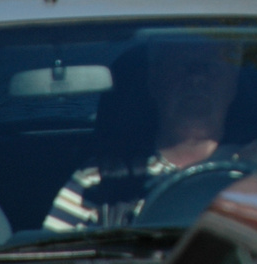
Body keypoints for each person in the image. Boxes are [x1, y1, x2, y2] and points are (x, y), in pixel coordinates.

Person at [44, 38, 243, 231]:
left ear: (233, 83)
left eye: (210, 66)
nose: (197, 78)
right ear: (154, 81)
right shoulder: (100, 180)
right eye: (181, 65)